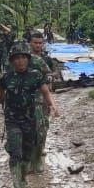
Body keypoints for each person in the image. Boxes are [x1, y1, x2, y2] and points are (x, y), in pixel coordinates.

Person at [0, 41, 58, 188]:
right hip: (12, 121)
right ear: (12, 60)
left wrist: (52, 105)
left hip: (30, 119)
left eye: (23, 58)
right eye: (16, 58)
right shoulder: (5, 77)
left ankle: (23, 177)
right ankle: (16, 186)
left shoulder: (35, 75)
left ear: (28, 59)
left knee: (26, 154)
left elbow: (45, 92)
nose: (20, 61)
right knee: (15, 152)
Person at [25, 30, 61, 174]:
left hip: (42, 100)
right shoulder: (23, 58)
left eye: (40, 43)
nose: (38, 46)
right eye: (35, 43)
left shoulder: (46, 60)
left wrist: (46, 80)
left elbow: (54, 75)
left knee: (42, 127)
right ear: (30, 43)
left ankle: (38, 154)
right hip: (25, 100)